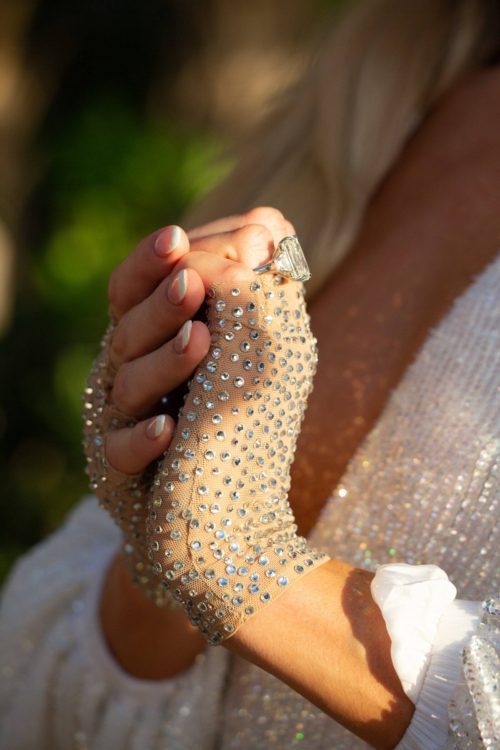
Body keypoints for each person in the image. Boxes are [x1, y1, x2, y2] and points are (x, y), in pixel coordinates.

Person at [1, 0, 499, 748]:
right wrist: (165, 556)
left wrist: (253, 570)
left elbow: (243, 567)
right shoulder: (385, 89)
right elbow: (42, 674)